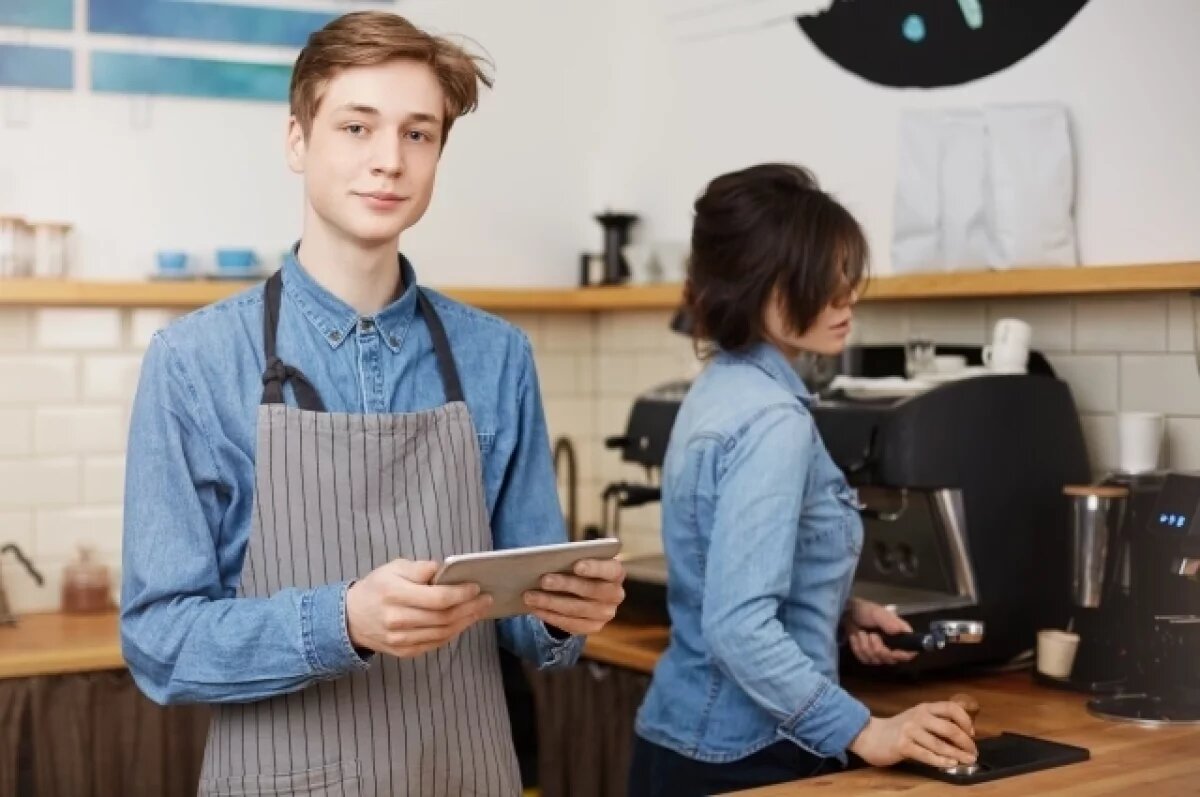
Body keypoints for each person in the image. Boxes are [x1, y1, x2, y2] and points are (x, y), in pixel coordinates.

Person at [120, 12, 625, 797]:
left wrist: (568, 610)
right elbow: (158, 643)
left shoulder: (497, 357)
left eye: (418, 134)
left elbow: (530, 618)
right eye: (357, 126)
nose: (388, 160)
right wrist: (341, 621)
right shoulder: (194, 363)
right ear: (298, 140)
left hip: (467, 777)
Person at [629, 163, 977, 796]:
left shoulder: (720, 390)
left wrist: (836, 613)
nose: (844, 296)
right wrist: (866, 730)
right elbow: (737, 627)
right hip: (752, 756)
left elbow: (730, 578)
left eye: (845, 274)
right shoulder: (772, 420)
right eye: (821, 278)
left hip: (687, 739)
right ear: (755, 285)